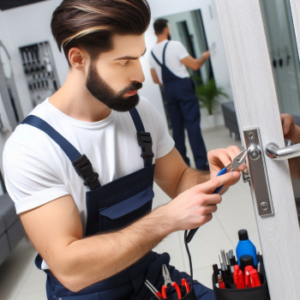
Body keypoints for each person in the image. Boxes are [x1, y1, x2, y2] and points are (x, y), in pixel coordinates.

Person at [3, 1, 245, 299]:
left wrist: (212, 177)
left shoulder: (139, 113)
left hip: (150, 273)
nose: (141, 76)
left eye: (139, 58)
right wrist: (167, 218)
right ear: (78, 58)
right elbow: (70, 267)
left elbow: (180, 178)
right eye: (123, 61)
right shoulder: (31, 146)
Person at [150, 18, 211, 170]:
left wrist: (170, 86)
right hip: (183, 87)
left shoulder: (151, 53)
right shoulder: (175, 45)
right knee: (192, 125)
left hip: (169, 90)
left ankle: (183, 164)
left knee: (177, 128)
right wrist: (204, 56)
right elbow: (195, 65)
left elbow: (156, 79)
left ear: (154, 32)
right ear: (166, 29)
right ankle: (201, 164)